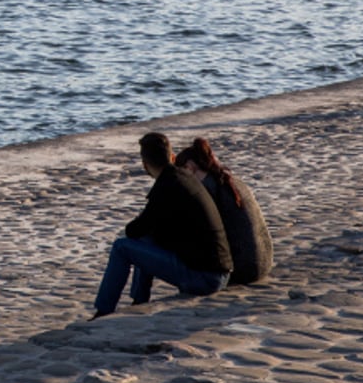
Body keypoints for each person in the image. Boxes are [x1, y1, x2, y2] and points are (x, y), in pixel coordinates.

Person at [92, 132, 233, 318]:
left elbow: (134, 229)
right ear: (172, 156)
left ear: (145, 165)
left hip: (204, 279)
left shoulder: (167, 186)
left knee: (122, 247)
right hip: (220, 273)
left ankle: (104, 310)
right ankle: (139, 301)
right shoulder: (184, 177)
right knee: (145, 239)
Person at [176, 137, 273, 285]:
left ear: (189, 167)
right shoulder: (230, 180)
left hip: (242, 269)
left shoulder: (207, 189)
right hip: (264, 263)